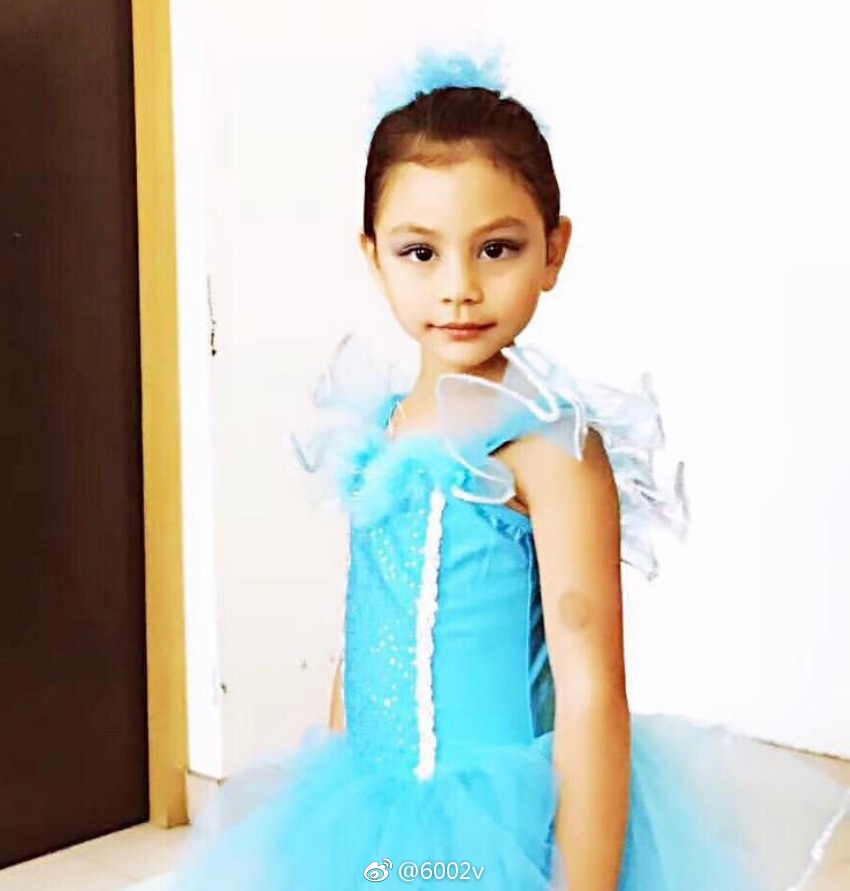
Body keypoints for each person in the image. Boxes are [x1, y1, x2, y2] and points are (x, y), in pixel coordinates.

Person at [169, 51, 850, 891]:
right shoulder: (379, 429)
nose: (459, 287)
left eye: (496, 248)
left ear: (553, 250)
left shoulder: (548, 450)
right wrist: (337, 808)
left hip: (502, 835)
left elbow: (592, 691)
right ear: (372, 255)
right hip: (377, 818)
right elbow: (366, 639)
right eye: (420, 252)